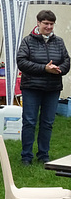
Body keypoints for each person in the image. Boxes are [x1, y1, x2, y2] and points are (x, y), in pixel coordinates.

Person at [17, 10, 70, 165]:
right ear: (38, 23)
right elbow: (21, 61)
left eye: (51, 24)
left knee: (47, 122)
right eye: (45, 23)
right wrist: (43, 69)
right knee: (29, 121)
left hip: (52, 88)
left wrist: (59, 69)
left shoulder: (59, 42)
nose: (48, 27)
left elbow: (67, 60)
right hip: (31, 88)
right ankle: (26, 156)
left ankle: (43, 155)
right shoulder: (27, 41)